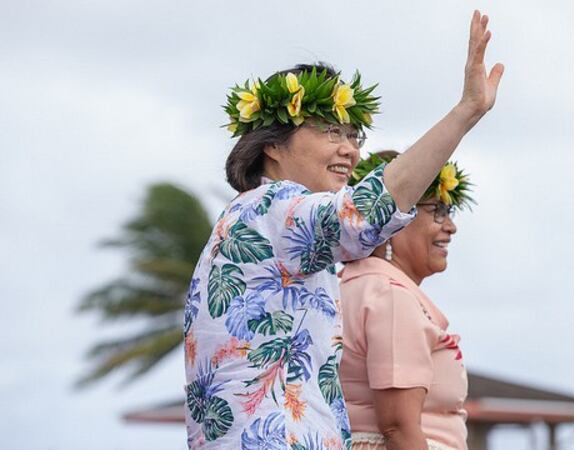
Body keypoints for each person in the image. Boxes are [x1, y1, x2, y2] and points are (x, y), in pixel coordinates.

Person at [183, 10, 503, 449]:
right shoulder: (272, 208)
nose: (350, 151)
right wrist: (464, 114)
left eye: (355, 137)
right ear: (272, 145)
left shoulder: (252, 220)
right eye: (332, 132)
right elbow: (367, 212)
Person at [339, 151, 473, 450]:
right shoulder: (390, 296)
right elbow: (399, 428)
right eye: (437, 210)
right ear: (393, 220)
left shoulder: (354, 284)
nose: (451, 227)